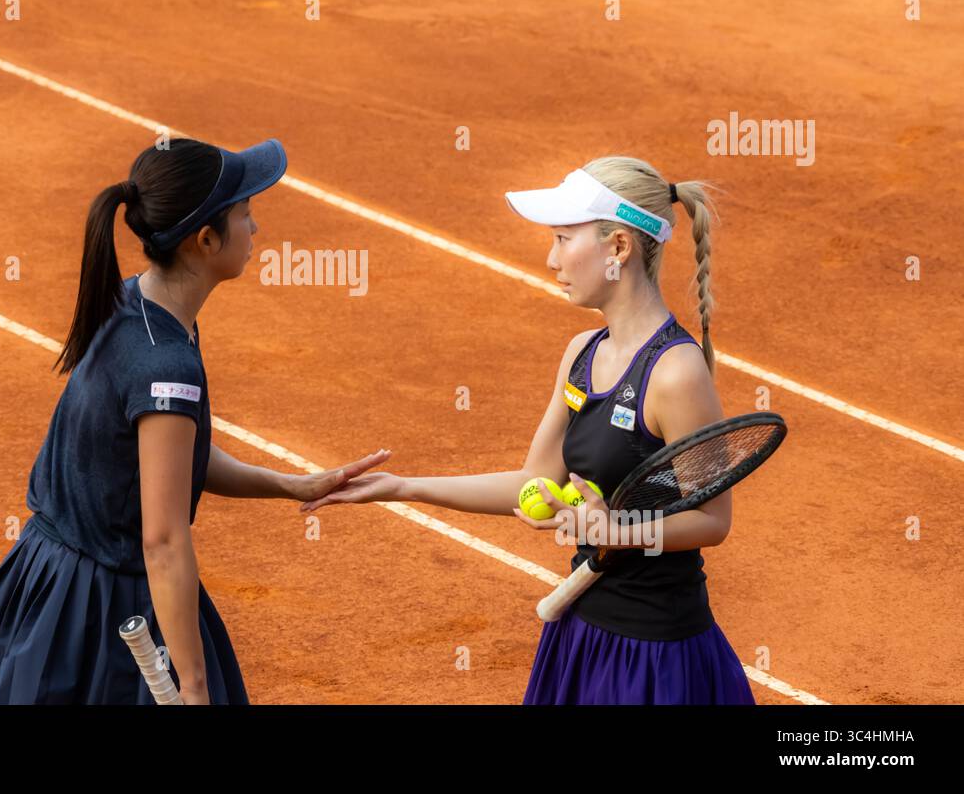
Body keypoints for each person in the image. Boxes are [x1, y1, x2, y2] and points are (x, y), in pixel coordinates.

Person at [0, 136, 390, 704]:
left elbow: (161, 461)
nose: (256, 229)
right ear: (205, 240)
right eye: (246, 214)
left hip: (52, 582)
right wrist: (193, 687)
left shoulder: (131, 302)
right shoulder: (166, 364)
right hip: (107, 613)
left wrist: (289, 484)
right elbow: (164, 542)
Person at [301, 156, 754, 704]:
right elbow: (532, 481)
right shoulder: (581, 355)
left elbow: (712, 519)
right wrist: (403, 487)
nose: (551, 258)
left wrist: (620, 529)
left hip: (657, 655)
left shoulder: (677, 373)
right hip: (581, 635)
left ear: (618, 249)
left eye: (564, 239)